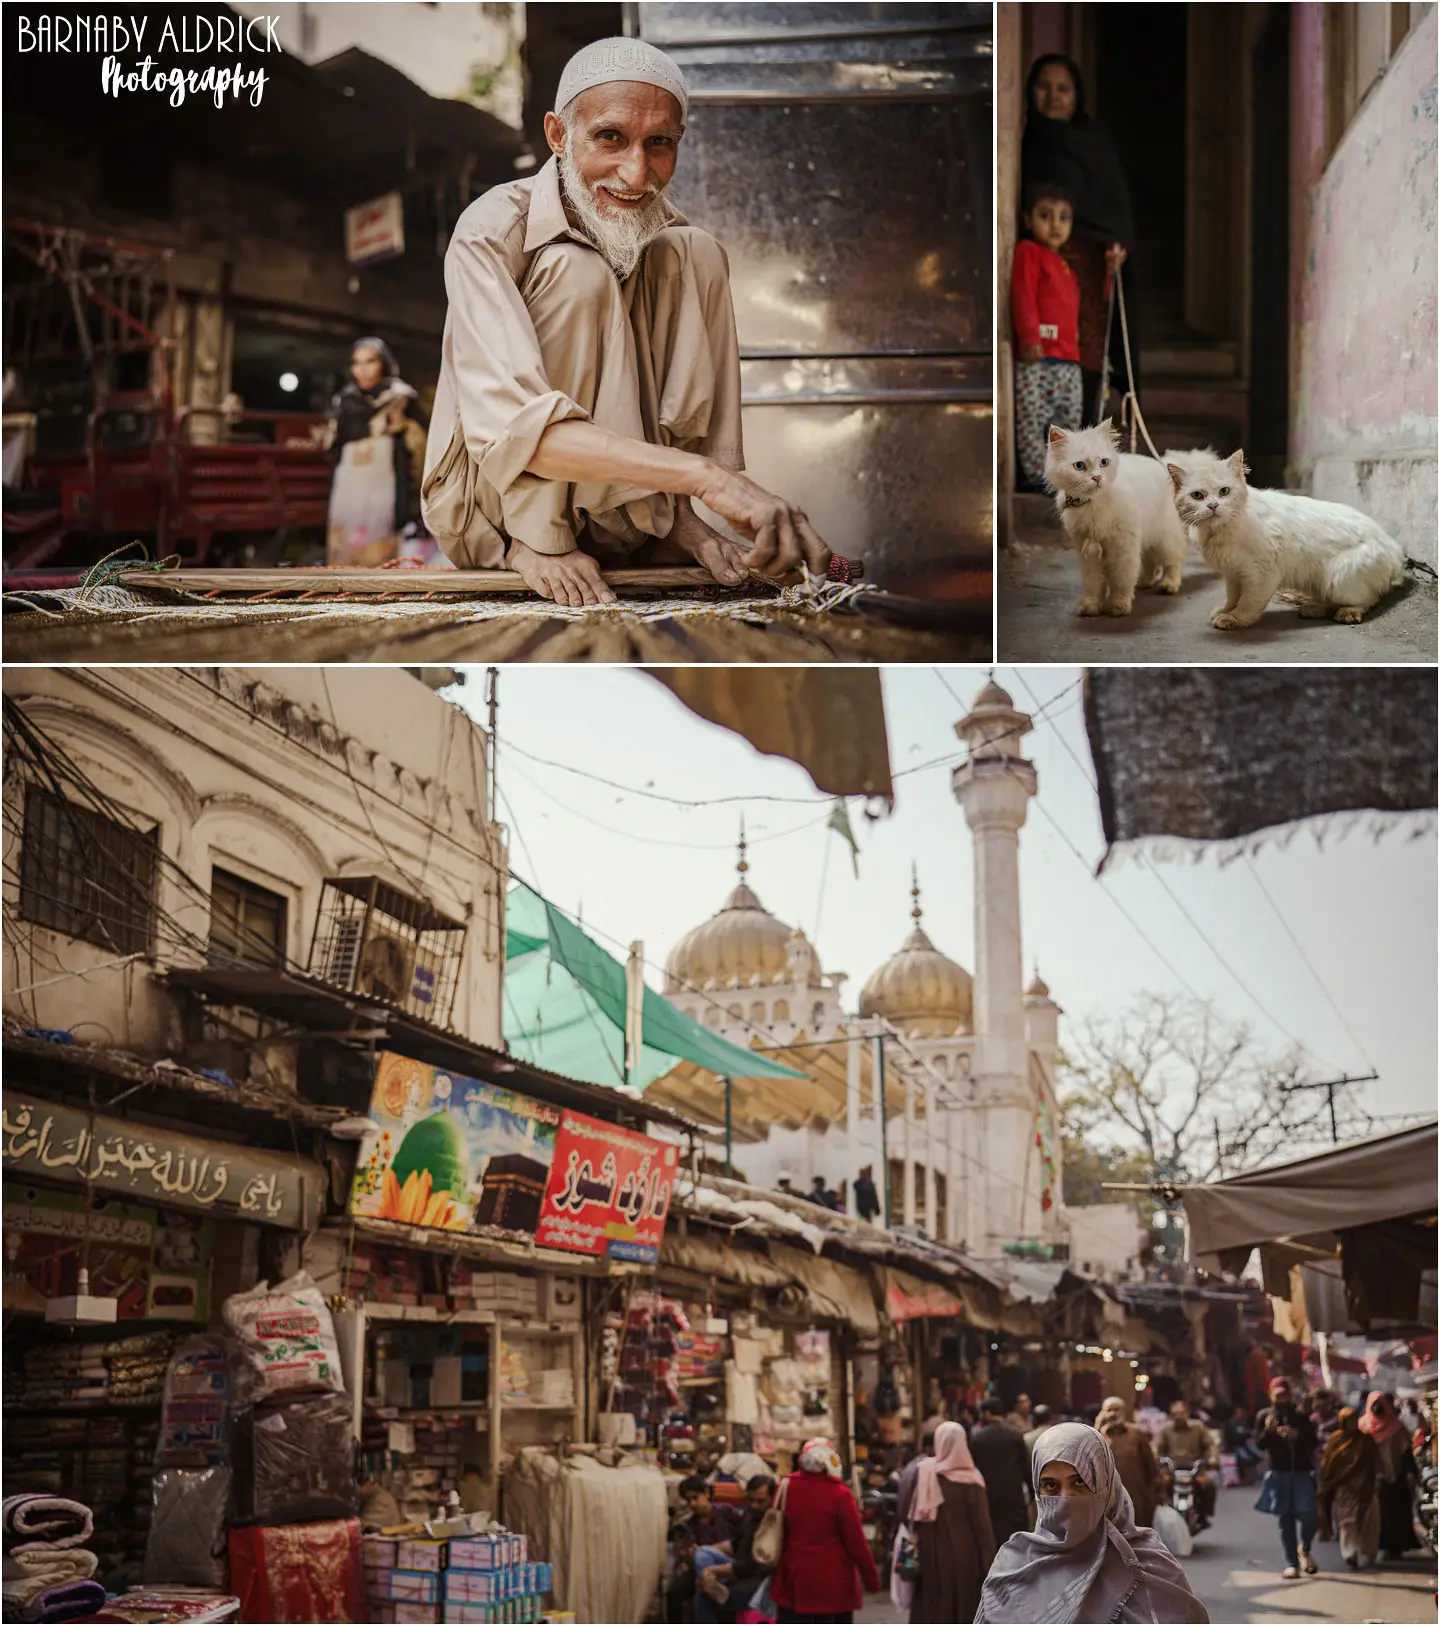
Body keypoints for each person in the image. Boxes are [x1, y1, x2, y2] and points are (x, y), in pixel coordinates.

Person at [422, 36, 831, 606]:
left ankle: (668, 526)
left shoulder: (667, 239)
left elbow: (678, 414)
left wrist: (686, 516)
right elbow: (518, 435)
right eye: (610, 137)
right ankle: (537, 538)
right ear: (558, 135)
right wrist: (712, 479)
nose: (637, 174)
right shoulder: (490, 230)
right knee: (575, 269)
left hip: (625, 515)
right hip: (488, 508)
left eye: (659, 143)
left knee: (696, 249)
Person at [975, 1423, 1209, 1623]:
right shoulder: (1014, 1565)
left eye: (1079, 1483)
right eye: (1051, 1486)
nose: (1065, 1499)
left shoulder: (1149, 1565)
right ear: (1038, 1491)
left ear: (1105, 1485)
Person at [1020, 55, 1135, 422]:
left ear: (1077, 96)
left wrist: (1118, 242)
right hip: (1040, 264)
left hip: (1088, 263)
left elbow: (1114, 202)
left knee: (1085, 348)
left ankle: (1085, 431)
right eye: (1044, 87)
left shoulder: (1094, 144)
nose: (1053, 97)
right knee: (1045, 348)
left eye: (1063, 89)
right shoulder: (1025, 140)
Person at [326, 337, 431, 565]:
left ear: (383, 363)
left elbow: (425, 439)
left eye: (370, 361)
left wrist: (401, 427)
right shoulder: (344, 401)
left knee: (381, 548)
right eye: (356, 363)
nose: (362, 369)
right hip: (349, 484)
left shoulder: (400, 397)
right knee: (345, 549)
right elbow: (334, 443)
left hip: (386, 484)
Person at [1011, 181, 1082, 490]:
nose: (1055, 225)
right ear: (1028, 220)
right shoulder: (1029, 252)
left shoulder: (1067, 268)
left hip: (1069, 360)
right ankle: (1036, 478)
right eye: (1045, 215)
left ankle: (1065, 476)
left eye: (1064, 217)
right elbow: (1023, 294)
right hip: (1038, 357)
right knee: (1032, 418)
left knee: (1068, 421)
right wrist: (1029, 337)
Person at [770, 1438, 880, 1624]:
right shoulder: (840, 1494)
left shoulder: (786, 1487)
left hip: (794, 1582)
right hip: (834, 1585)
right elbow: (856, 1542)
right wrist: (871, 1579)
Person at [1254, 1377, 1319, 1580]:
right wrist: (1269, 1431)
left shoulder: (1300, 1417)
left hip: (1300, 1472)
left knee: (1309, 1514)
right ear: (1272, 1395)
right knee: (1285, 1520)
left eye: (1285, 1395)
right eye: (1278, 1395)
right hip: (1278, 1473)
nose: (1282, 1399)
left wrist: (1296, 1434)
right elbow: (1259, 1444)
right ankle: (1292, 1563)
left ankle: (1305, 1547)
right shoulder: (1264, 1416)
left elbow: (1312, 1441)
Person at [694, 1475, 775, 1621]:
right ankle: (715, 1587)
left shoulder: (772, 1523)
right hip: (738, 1565)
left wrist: (712, 1571)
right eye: (751, 1500)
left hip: (758, 1576)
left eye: (760, 1501)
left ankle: (717, 1590)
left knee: (703, 1598)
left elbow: (748, 1566)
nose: (754, 1505)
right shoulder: (749, 1515)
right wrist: (708, 1549)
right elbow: (735, 1545)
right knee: (703, 1553)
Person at [667, 1474, 743, 1620]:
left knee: (703, 1554)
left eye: (695, 1498)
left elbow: (743, 1539)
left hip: (728, 1564)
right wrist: (688, 1555)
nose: (693, 1504)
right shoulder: (689, 1525)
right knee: (675, 1592)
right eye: (689, 1500)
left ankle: (713, 1587)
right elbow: (687, 1555)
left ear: (707, 1494)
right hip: (702, 1570)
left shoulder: (727, 1512)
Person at [1317, 1407, 1380, 1571]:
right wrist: (1327, 1483)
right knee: (1348, 1522)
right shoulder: (1335, 1440)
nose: (1351, 1424)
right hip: (1344, 1488)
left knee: (1368, 1520)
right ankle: (1350, 1553)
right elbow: (1329, 1464)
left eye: (1353, 1420)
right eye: (1348, 1421)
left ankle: (1369, 1551)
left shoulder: (1366, 1440)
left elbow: (1375, 1462)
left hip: (1366, 1485)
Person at [1359, 1391, 1420, 1560]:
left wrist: (1410, 1473)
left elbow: (1406, 1452)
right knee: (1377, 1514)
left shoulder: (1396, 1426)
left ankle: (1397, 1547)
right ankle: (1379, 1545)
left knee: (1397, 1511)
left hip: (1397, 1476)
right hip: (1372, 1478)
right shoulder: (1363, 1426)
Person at [969, 1398, 1032, 1544]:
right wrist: (1032, 1492)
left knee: (995, 1539)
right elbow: (1025, 1466)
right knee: (1017, 1539)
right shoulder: (1015, 1435)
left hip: (989, 1496)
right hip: (1013, 1495)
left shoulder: (978, 1438)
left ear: (987, 1413)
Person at [1097, 1398, 1161, 1529]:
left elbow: (1149, 1464)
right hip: (1107, 1496)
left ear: (1124, 1412)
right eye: (1109, 1410)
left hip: (1135, 1493)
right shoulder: (1098, 1435)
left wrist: (1155, 1491)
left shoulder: (1136, 1433)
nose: (1113, 1413)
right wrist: (1098, 1427)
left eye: (1117, 1409)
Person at [1156, 1399, 1218, 1528]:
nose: (1178, 1416)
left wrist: (1212, 1458)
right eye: (1175, 1413)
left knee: (1209, 1484)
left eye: (1181, 1413)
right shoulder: (1165, 1430)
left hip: (1195, 1468)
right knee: (1158, 1485)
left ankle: (1204, 1515)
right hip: (1171, 1469)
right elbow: (1156, 1447)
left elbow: (1210, 1445)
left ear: (1187, 1413)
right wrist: (1155, 1458)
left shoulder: (1198, 1428)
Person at [896, 1430, 937, 1528]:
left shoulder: (914, 1463)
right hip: (915, 1523)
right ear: (930, 1448)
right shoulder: (927, 1467)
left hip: (904, 1520)